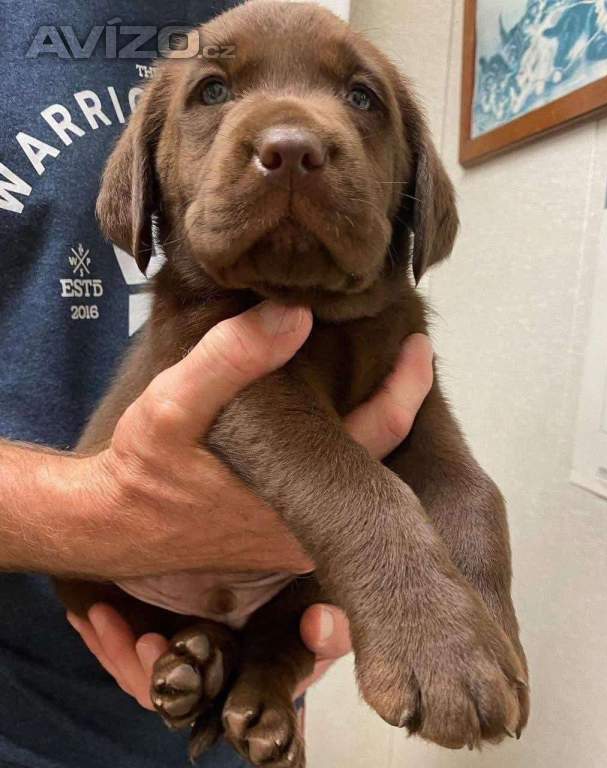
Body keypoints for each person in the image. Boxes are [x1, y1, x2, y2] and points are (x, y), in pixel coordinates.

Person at [0, 3, 433, 766]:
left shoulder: (283, 22)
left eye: (358, 99)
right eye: (212, 93)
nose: (292, 137)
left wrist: (343, 593)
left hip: (248, 716)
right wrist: (95, 513)